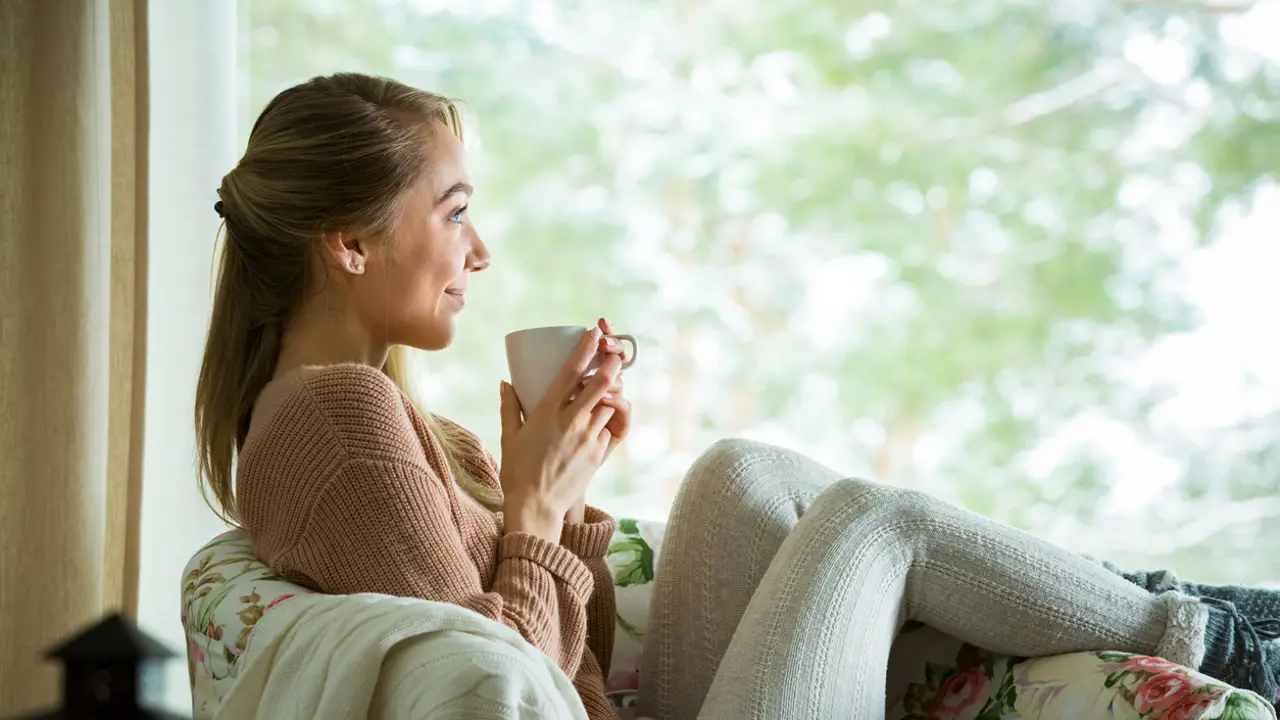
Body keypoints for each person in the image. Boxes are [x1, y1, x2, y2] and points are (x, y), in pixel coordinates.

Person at [194, 72, 1280, 719]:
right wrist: (529, 511)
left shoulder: (364, 413)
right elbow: (502, 691)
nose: (478, 250)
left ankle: (1154, 603)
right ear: (346, 243)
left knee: (736, 472)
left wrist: (562, 486)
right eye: (453, 211)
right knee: (870, 519)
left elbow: (546, 652)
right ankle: (1225, 639)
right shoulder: (335, 422)